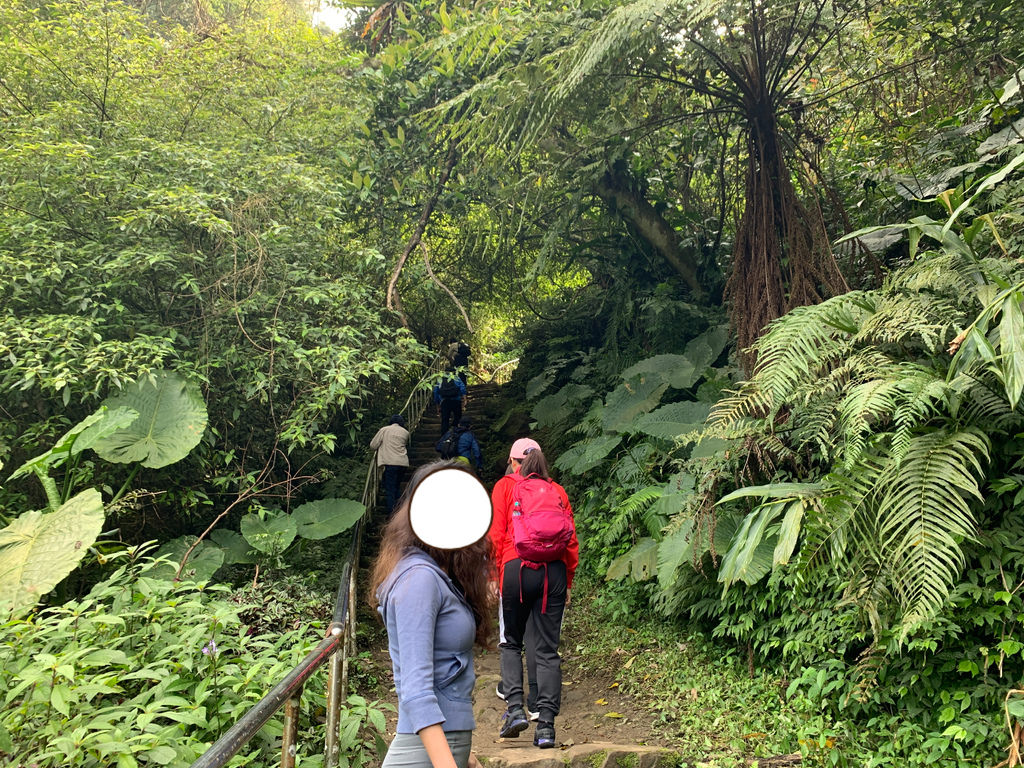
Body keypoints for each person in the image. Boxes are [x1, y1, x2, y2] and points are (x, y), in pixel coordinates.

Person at [370, 462, 492, 768]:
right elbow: (416, 689)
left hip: (443, 747)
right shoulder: (418, 579)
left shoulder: (433, 574)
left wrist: (464, 754)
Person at [489, 441, 578, 749]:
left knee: (511, 641)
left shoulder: (504, 487)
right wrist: (567, 580)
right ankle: (547, 729)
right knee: (547, 649)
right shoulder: (559, 492)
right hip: (551, 573)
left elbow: (497, 534)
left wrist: (495, 575)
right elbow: (570, 541)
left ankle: (514, 709)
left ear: (517, 463)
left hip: (515, 568)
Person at [370, 414, 410, 514]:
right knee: (396, 487)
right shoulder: (405, 432)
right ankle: (401, 509)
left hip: (391, 463)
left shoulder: (384, 430)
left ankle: (392, 513)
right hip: (403, 463)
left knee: (390, 489)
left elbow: (373, 445)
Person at [433, 370, 466, 435]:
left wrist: (437, 405)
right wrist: (464, 398)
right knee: (458, 417)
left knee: (445, 420)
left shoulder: (440, 380)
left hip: (444, 401)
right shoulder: (456, 378)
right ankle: (456, 433)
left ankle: (444, 437)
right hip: (456, 400)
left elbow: (435, 392)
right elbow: (462, 387)